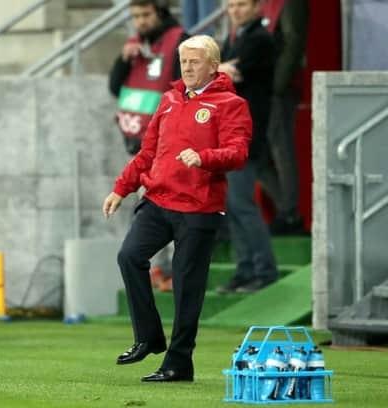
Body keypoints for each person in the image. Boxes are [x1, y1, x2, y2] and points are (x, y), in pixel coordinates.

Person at [103, 35, 251, 382]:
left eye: (194, 62)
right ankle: (148, 337)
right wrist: (122, 188)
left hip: (199, 207)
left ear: (213, 66)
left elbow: (238, 152)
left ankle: (178, 362)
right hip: (157, 199)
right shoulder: (169, 99)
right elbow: (147, 152)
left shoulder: (230, 104)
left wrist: (204, 158)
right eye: (183, 61)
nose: (186, 67)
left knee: (187, 286)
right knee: (129, 256)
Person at [216, 0, 278, 294]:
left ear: (257, 7)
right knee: (232, 207)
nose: (235, 10)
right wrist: (220, 70)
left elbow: (225, 77)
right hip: (229, 136)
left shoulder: (259, 40)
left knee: (242, 204)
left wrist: (218, 71)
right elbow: (221, 76)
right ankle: (245, 271)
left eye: (241, 4)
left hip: (246, 135)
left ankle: (263, 271)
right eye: (230, 5)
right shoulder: (235, 41)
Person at [109, 0, 188, 155]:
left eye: (146, 15)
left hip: (167, 144)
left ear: (160, 13)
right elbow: (114, 88)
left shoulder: (180, 41)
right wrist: (123, 61)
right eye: (136, 17)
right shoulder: (134, 44)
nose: (141, 22)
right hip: (136, 137)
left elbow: (187, 92)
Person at [257, 0, 309, 235]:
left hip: (279, 89)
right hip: (259, 88)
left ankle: (289, 212)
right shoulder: (260, 3)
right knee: (256, 154)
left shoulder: (290, 2)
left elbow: (294, 41)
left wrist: (277, 86)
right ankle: (288, 211)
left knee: (280, 149)